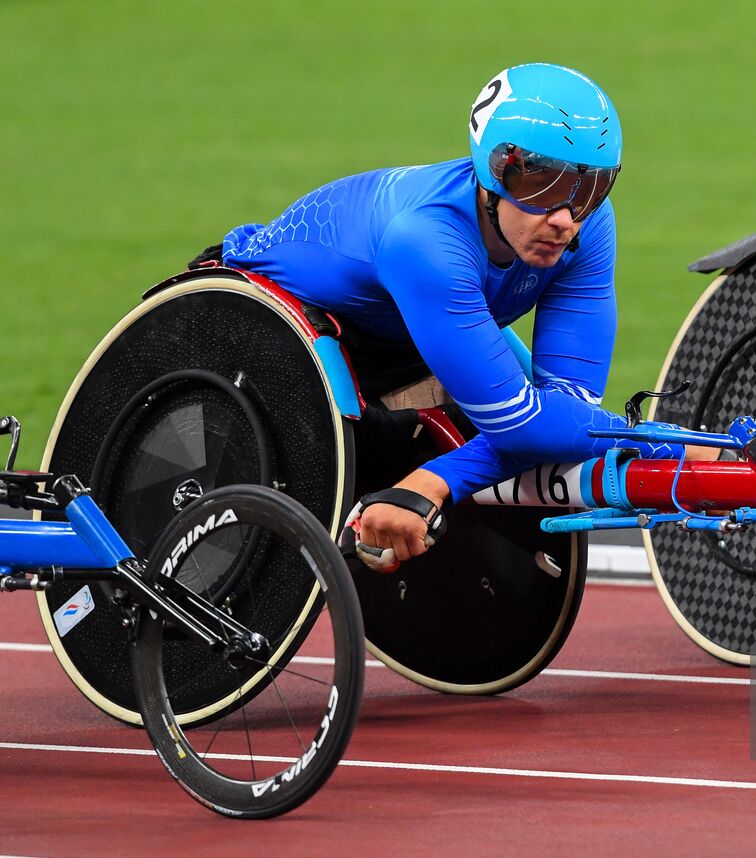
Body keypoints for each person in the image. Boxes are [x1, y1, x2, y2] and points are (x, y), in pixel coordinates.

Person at [218, 63, 684, 571]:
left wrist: (436, 478)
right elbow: (530, 428)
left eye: (589, 188)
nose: (564, 220)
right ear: (494, 170)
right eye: (543, 187)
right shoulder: (426, 241)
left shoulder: (588, 227)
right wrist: (670, 447)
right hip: (267, 331)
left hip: (407, 337)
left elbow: (566, 412)